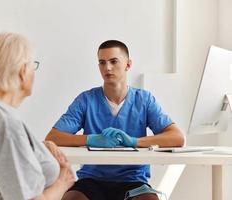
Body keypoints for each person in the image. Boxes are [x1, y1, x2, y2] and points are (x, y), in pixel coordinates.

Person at [45, 40, 185, 200]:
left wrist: (134, 141)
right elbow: (53, 137)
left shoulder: (144, 100)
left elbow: (177, 138)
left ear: (128, 64)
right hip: (91, 180)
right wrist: (90, 139)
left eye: (113, 61)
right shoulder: (86, 100)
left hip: (133, 181)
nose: (107, 68)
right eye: (102, 63)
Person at [0, 32, 75, 200]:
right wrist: (63, 183)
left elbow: (2, 157)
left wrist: (37, 149)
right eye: (32, 66)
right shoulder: (4, 125)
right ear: (22, 71)